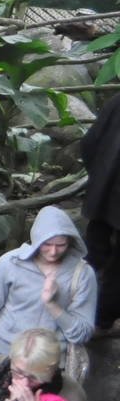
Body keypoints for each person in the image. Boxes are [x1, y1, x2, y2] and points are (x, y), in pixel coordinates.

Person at [0, 206, 96, 371]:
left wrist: (52, 305)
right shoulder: (10, 263)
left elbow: (82, 334)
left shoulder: (83, 274)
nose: (53, 252)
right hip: (1, 353)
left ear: (71, 241)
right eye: (47, 244)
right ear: (36, 239)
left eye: (61, 245)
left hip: (48, 364)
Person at [79, 93, 120, 334]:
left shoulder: (117, 101)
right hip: (107, 191)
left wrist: (99, 176)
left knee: (93, 254)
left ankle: (78, 309)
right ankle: (102, 319)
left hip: (103, 194)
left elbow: (89, 143)